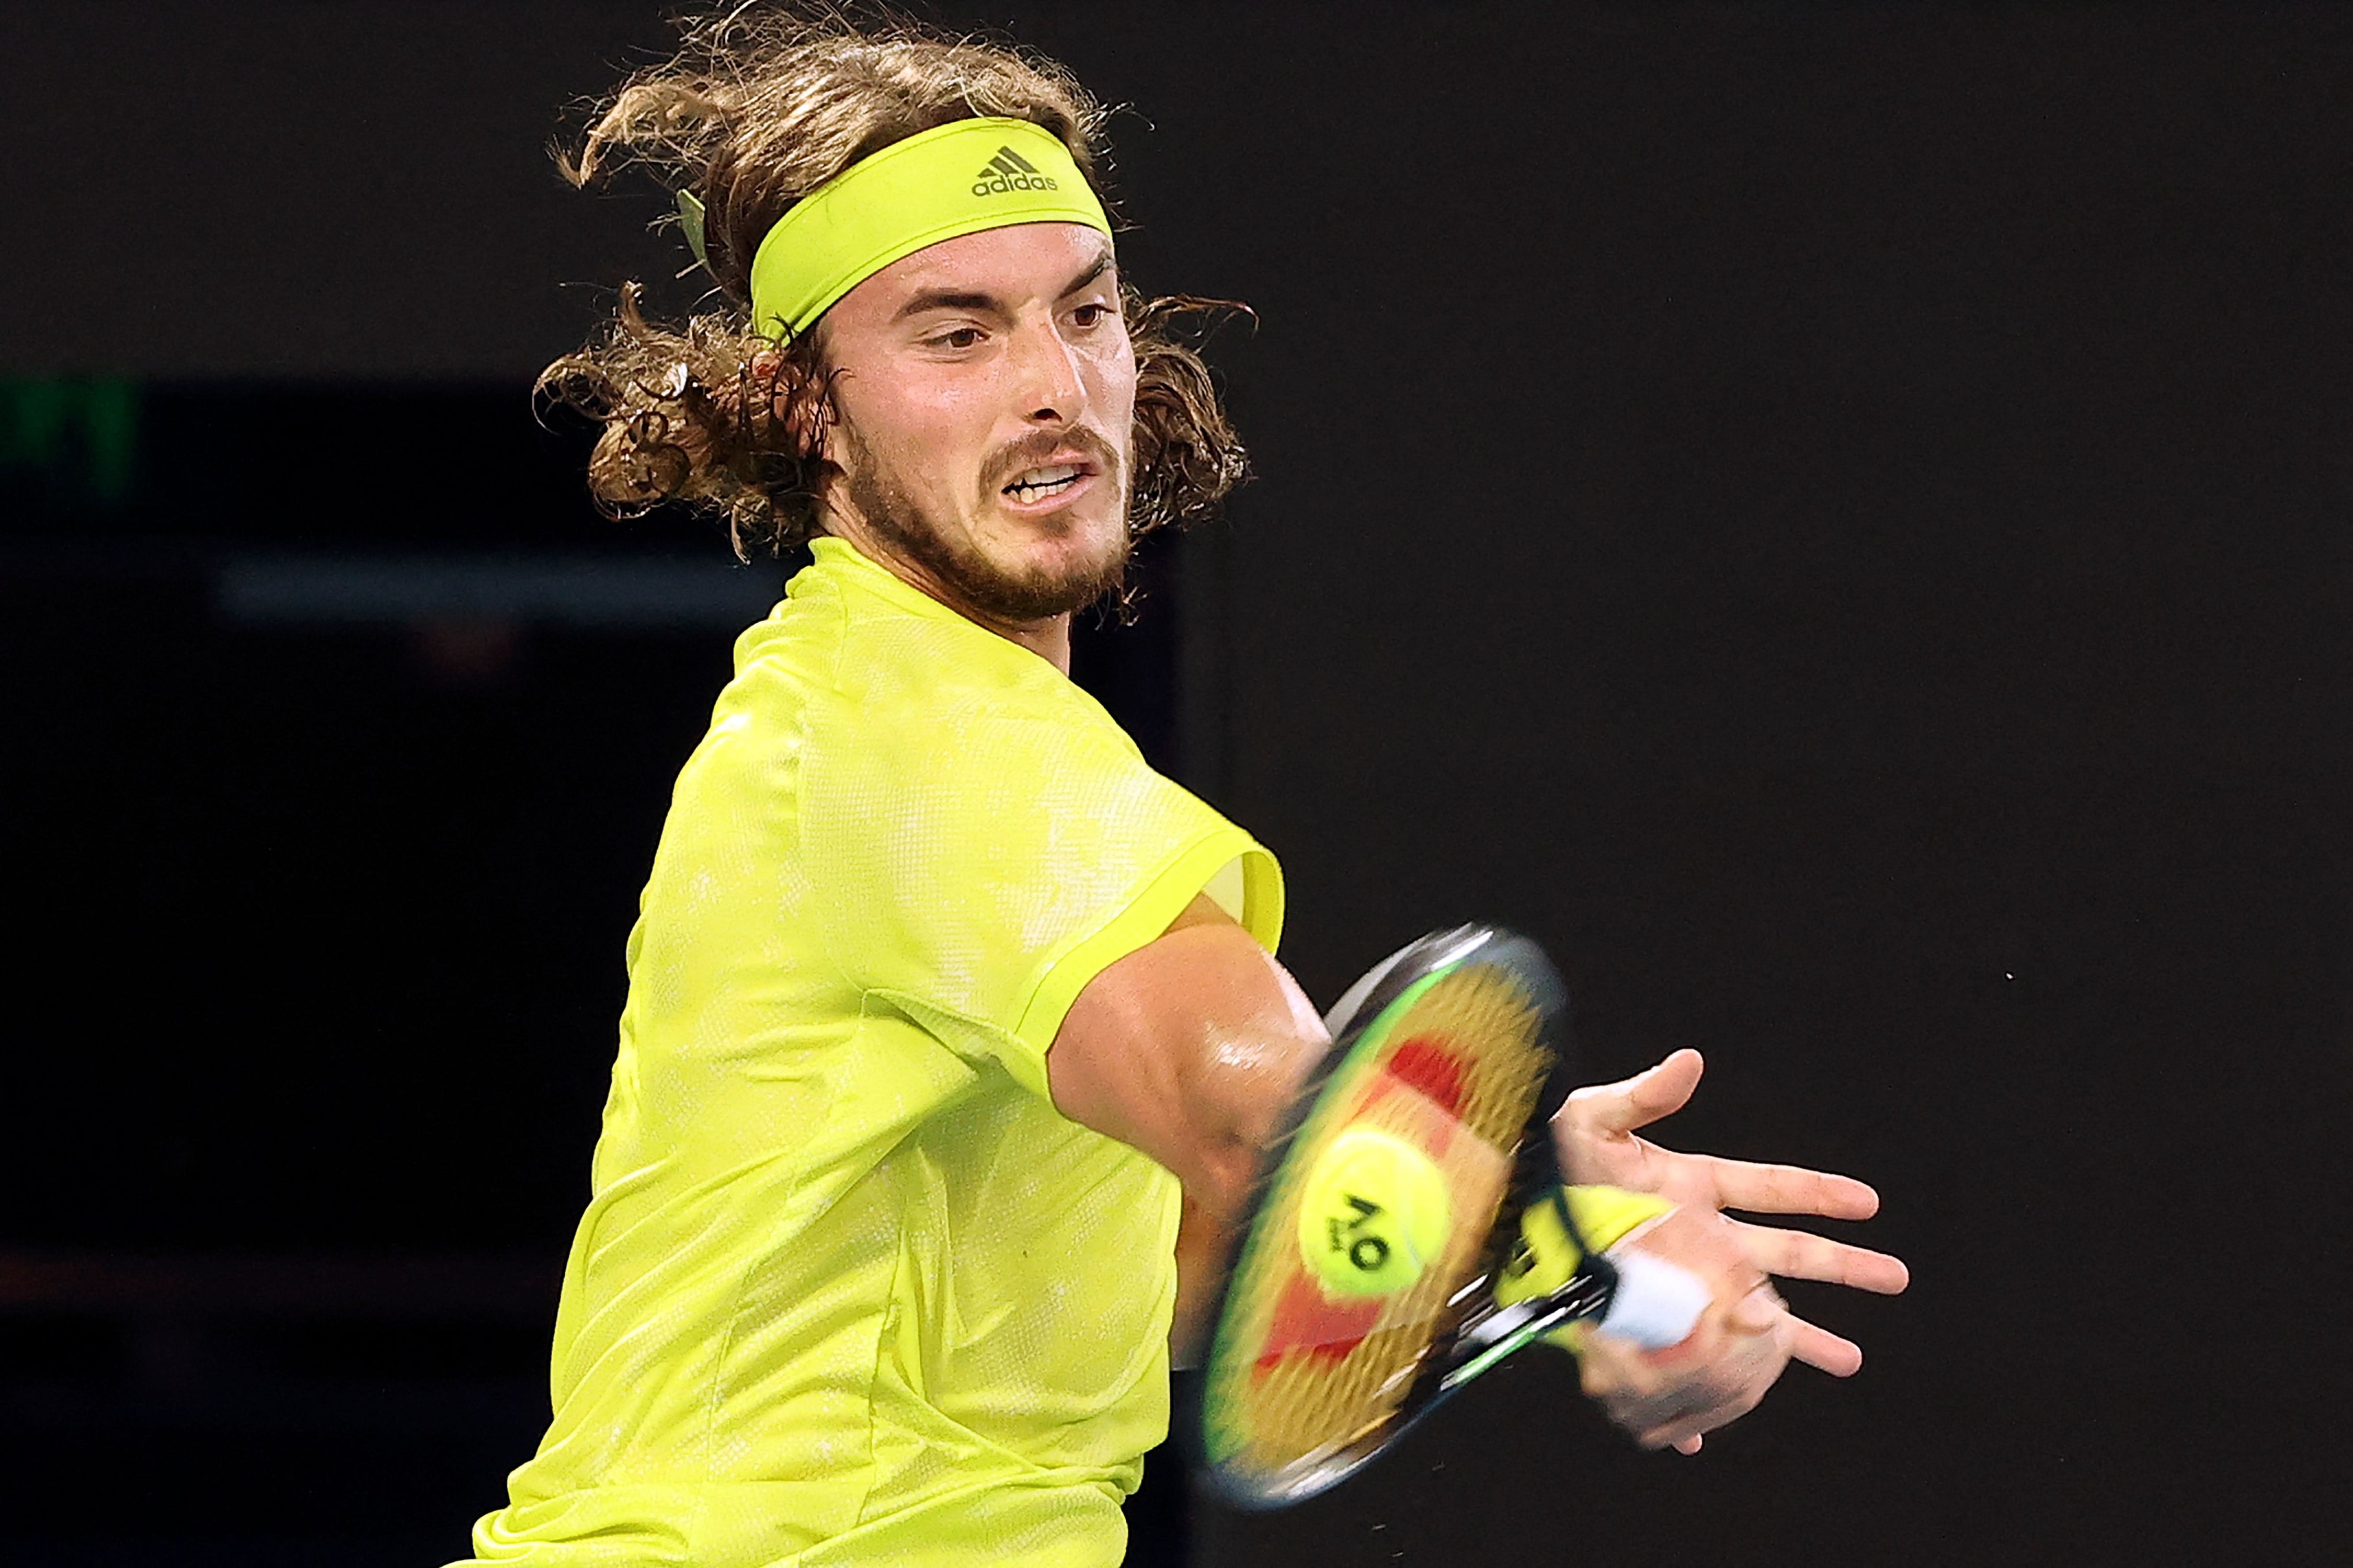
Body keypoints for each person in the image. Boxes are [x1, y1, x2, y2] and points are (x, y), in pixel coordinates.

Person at [458, 9, 1907, 1566]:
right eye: (956, 336)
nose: (1052, 388)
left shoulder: (850, 726)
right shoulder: (923, 740)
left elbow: (1174, 1274)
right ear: (806, 406)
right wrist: (1619, 1265)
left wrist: (1522, 1190)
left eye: (1080, 316)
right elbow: (1262, 1124)